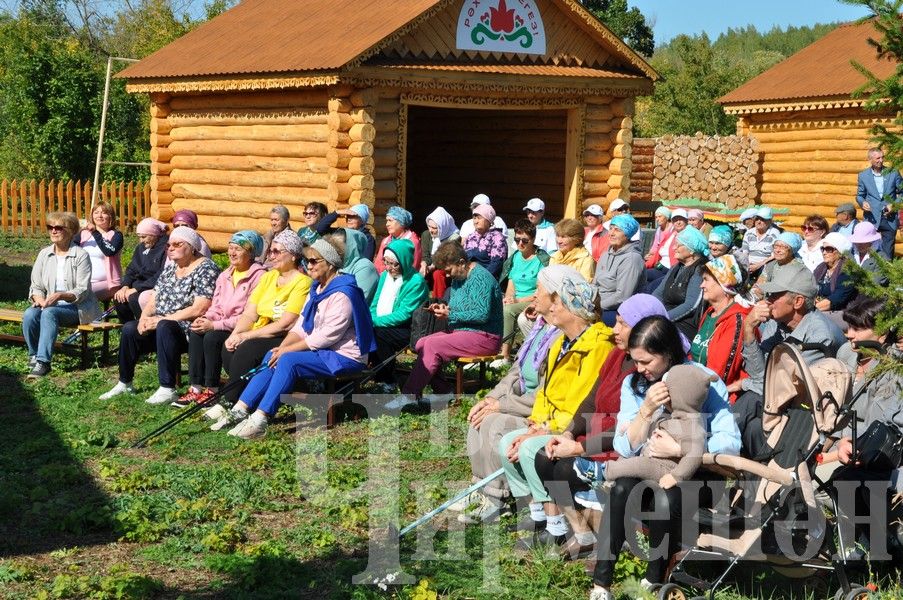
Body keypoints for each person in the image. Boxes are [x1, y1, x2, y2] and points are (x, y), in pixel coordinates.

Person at [589, 316, 741, 600]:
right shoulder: (635, 385)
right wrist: (646, 410)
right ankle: (602, 582)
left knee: (664, 496)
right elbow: (625, 448)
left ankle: (655, 578)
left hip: (699, 475)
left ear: (668, 353)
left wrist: (681, 449)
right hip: (651, 466)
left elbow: (729, 444)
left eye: (646, 362)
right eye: (635, 361)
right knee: (622, 486)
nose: (639, 369)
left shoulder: (701, 380)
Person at [529, 294, 673, 559]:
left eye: (622, 324)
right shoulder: (617, 355)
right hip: (596, 434)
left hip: (622, 445)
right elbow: (592, 398)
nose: (615, 330)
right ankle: (584, 533)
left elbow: (626, 429)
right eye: (616, 322)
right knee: (544, 457)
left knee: (565, 467)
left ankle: (618, 540)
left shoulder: (650, 372)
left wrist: (579, 446)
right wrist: (569, 432)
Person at [216, 236, 376, 439]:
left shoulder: (343, 293)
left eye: (313, 261)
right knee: (272, 355)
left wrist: (287, 350)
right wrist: (281, 347)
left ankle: (260, 419)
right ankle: (240, 409)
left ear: (330, 263)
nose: (307, 265)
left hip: (345, 356)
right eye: (306, 261)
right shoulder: (317, 289)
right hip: (324, 352)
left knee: (288, 359)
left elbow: (327, 335)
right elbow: (301, 324)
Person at [499, 277, 614, 549]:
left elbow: (581, 403)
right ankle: (537, 517)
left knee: (530, 451)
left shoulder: (597, 347)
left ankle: (557, 528)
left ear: (573, 308)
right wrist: (534, 425)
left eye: (558, 303)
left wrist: (546, 431)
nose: (552, 308)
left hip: (575, 427)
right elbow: (546, 393)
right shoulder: (560, 342)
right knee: (507, 443)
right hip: (549, 422)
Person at [452, 267, 573, 524]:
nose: (532, 296)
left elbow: (545, 394)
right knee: (478, 418)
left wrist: (501, 406)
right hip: (519, 401)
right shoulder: (540, 330)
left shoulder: (560, 338)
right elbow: (515, 372)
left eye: (538, 291)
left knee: (496, 425)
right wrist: (490, 399)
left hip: (538, 413)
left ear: (555, 297)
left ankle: (498, 500)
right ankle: (480, 489)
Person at [733, 261, 845, 456]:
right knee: (752, 429)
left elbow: (784, 389)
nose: (767, 301)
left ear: (798, 302)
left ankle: (710, 448)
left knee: (751, 400)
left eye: (775, 295)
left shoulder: (820, 336)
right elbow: (759, 375)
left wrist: (744, 385)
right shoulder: (778, 322)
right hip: (777, 404)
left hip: (806, 412)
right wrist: (749, 330)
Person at [99, 227, 220, 404]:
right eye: (169, 245)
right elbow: (154, 299)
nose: (170, 248)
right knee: (130, 329)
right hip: (162, 324)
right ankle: (125, 382)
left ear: (192, 246)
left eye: (177, 244)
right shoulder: (171, 269)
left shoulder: (206, 268)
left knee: (165, 326)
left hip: (188, 329)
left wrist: (161, 320)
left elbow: (199, 308)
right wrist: (144, 318)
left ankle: (167, 387)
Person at [823, 298, 902, 559]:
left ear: (881, 333)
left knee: (846, 481)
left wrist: (841, 447)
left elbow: (879, 423)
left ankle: (872, 549)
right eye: (848, 327)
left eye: (857, 328)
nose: (849, 335)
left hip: (868, 450)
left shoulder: (892, 367)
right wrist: (831, 442)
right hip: (842, 444)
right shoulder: (847, 354)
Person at [390, 242, 503, 407]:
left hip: (486, 336)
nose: (448, 276)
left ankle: (409, 395)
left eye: (449, 270)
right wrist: (444, 308)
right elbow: (458, 307)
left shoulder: (481, 278)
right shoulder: (459, 278)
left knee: (433, 345)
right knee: (421, 342)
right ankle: (443, 390)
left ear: (462, 263)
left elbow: (482, 314)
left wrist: (451, 314)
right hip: (464, 332)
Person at [215, 230, 311, 411]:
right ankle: (248, 392)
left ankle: (230, 401)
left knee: (247, 349)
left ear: (293, 256)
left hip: (283, 336)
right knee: (228, 345)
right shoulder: (268, 277)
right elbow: (250, 313)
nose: (271, 256)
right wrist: (236, 334)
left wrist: (246, 337)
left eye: (277, 251)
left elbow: (286, 323)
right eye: (270, 251)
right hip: (261, 329)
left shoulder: (302, 283)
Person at [178, 231, 266, 407]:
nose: (232, 253)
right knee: (196, 332)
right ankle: (195, 388)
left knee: (212, 337)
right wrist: (205, 319)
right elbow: (217, 306)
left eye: (238, 249)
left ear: (251, 252)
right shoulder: (225, 275)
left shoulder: (260, 276)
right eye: (230, 248)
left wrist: (214, 325)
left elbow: (248, 315)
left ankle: (212, 390)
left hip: (242, 329)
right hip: (221, 323)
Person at [24, 212, 102, 379]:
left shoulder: (81, 255)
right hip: (49, 305)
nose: (53, 231)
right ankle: (33, 355)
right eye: (50, 227)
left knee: (49, 313)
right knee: (30, 314)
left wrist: (59, 296)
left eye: (58, 227)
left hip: (77, 307)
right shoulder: (44, 254)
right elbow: (36, 285)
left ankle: (44, 362)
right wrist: (39, 300)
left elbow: (82, 290)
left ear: (72, 231)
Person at [368, 239, 429, 391]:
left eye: (394, 264)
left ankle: (388, 380)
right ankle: (373, 374)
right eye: (386, 263)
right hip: (384, 323)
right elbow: (375, 303)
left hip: (410, 328)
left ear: (404, 261)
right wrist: (369, 319)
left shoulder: (415, 281)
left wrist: (374, 321)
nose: (389, 268)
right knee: (369, 330)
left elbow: (404, 314)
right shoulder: (384, 276)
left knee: (379, 334)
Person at [692, 255, 751, 402]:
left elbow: (719, 375)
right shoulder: (710, 313)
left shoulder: (737, 320)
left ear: (724, 284)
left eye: (706, 280)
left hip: (719, 398)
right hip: (697, 385)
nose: (701, 285)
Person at [494, 220, 550, 367]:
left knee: (508, 311)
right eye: (517, 240)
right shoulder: (515, 258)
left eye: (525, 240)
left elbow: (541, 290)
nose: (520, 244)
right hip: (517, 299)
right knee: (499, 306)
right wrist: (508, 298)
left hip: (533, 299)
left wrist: (517, 301)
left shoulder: (541, 260)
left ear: (533, 240)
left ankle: (504, 355)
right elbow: (511, 283)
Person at [652, 225, 709, 341]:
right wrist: (649, 310)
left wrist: (662, 319)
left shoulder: (699, 270)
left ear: (691, 249)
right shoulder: (676, 267)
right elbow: (658, 293)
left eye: (679, 245)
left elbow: (691, 306)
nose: (674, 248)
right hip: (664, 317)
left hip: (684, 324)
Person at [592, 214, 646, 326]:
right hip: (598, 304)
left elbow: (622, 297)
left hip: (618, 310)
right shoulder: (605, 254)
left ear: (627, 234)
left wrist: (595, 306)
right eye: (610, 228)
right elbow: (595, 284)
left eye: (617, 230)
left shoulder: (632, 259)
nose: (611, 233)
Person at [114, 218, 168, 322]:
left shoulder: (165, 248)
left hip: (152, 286)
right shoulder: (141, 247)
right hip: (138, 284)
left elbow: (161, 275)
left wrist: (136, 289)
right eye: (139, 237)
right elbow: (132, 268)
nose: (141, 241)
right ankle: (127, 329)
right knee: (119, 298)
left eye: (144, 237)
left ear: (155, 234)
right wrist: (125, 286)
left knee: (134, 298)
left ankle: (142, 327)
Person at [856, 147, 902, 258]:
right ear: (870, 159)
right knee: (869, 251)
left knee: (887, 252)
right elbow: (860, 195)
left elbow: (902, 192)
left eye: (882, 157)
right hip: (871, 217)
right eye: (877, 158)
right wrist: (862, 203)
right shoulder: (863, 176)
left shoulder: (893, 173)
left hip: (889, 218)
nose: (881, 160)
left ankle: (887, 274)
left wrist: (894, 204)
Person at [79, 201, 123, 302]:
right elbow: (70, 249)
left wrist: (95, 232)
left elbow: (109, 251)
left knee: (81, 295)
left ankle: (88, 317)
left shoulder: (116, 235)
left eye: (104, 212)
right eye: (96, 212)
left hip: (108, 283)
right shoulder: (84, 234)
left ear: (110, 216)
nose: (99, 215)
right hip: (83, 282)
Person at [813, 232, 856, 318]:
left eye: (828, 249)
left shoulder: (848, 271)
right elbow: (809, 287)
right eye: (823, 249)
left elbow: (837, 299)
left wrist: (810, 310)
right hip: (819, 309)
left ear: (839, 251)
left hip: (841, 312)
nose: (824, 252)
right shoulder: (821, 268)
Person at [420, 206, 460, 299]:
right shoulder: (426, 235)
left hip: (446, 269)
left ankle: (438, 301)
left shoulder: (454, 238)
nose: (431, 230)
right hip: (431, 266)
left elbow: (447, 261)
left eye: (434, 228)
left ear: (443, 226)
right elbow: (425, 255)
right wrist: (424, 264)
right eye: (429, 226)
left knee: (437, 274)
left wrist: (433, 267)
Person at [645, 208, 688, 289]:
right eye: (675, 220)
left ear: (686, 221)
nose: (678, 222)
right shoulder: (671, 234)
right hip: (660, 266)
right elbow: (657, 250)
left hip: (670, 271)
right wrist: (645, 265)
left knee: (650, 286)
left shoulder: (686, 236)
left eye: (681, 220)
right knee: (640, 276)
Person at [753, 231, 803, 300]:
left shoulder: (798, 268)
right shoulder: (771, 265)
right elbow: (759, 287)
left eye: (782, 247)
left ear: (792, 250)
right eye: (775, 246)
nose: (777, 250)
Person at [463, 203, 508, 279]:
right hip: (468, 277)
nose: (476, 221)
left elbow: (496, 264)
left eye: (479, 218)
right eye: (474, 218)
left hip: (487, 279)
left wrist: (480, 278)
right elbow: (464, 259)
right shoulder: (471, 237)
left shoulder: (497, 237)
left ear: (488, 220)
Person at [374, 206, 422, 274]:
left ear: (401, 222)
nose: (387, 224)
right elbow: (378, 264)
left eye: (390, 220)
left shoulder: (412, 242)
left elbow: (414, 267)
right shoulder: (386, 241)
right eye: (387, 221)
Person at [339, 227, 379, 303]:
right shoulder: (339, 265)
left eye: (339, 246)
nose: (335, 249)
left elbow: (356, 301)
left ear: (352, 246)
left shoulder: (365, 267)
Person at [741, 206, 780, 274]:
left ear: (770, 221)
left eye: (763, 219)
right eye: (757, 219)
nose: (759, 222)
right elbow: (745, 253)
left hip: (766, 267)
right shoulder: (749, 233)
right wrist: (746, 266)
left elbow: (774, 256)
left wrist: (758, 266)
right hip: (749, 266)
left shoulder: (774, 233)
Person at [849, 221, 888, 286]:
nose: (859, 245)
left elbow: (876, 282)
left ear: (872, 241)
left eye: (863, 242)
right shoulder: (850, 254)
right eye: (857, 242)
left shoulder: (881, 258)